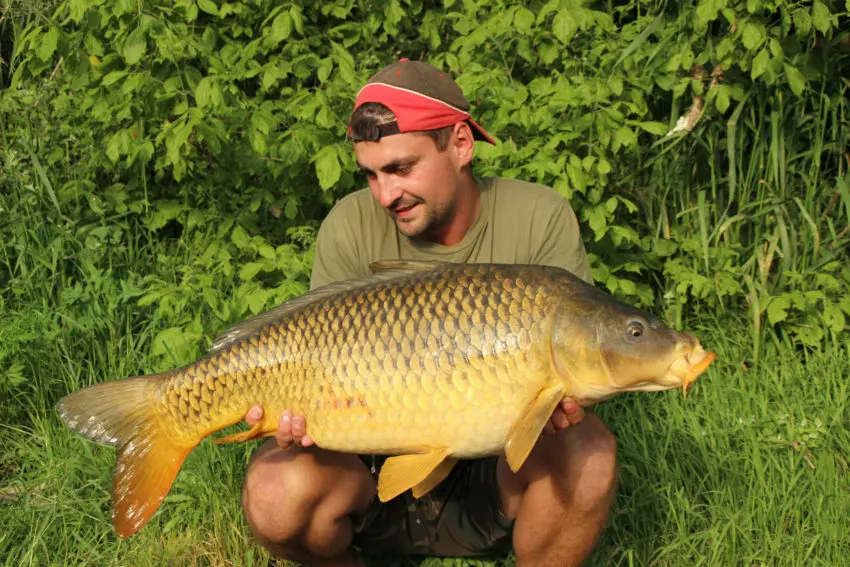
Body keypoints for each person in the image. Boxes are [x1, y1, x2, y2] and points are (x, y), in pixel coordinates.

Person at [239, 59, 618, 567]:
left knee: (588, 453)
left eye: (401, 168)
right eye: (371, 174)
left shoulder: (539, 217)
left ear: (461, 144)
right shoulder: (350, 225)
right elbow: (316, 358)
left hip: (500, 466)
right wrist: (296, 415)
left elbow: (583, 359)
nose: (385, 195)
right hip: (371, 467)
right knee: (271, 492)